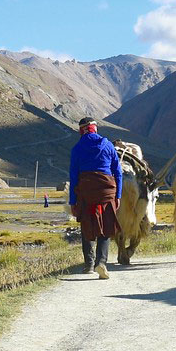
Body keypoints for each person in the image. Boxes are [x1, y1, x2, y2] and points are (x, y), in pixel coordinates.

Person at [67, 118, 123, 279]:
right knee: (105, 227)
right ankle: (102, 263)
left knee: (87, 224)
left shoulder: (77, 148)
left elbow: (74, 176)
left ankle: (89, 264)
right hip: (106, 191)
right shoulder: (108, 145)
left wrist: (73, 201)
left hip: (86, 192)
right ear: (94, 129)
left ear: (82, 130)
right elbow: (117, 172)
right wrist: (118, 195)